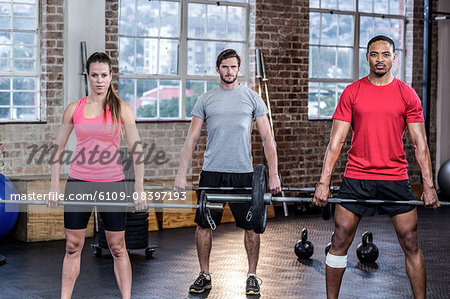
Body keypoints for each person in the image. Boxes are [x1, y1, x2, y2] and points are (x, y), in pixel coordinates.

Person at [313, 35, 440, 299]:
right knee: (339, 241)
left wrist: (429, 186)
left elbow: (420, 144)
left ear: (394, 57)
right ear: (367, 57)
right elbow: (335, 142)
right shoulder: (353, 92)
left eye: (385, 54)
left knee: (411, 243)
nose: (379, 59)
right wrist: (324, 182)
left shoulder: (407, 94)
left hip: (395, 178)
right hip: (357, 176)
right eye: (374, 54)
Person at [174, 49, 281, 295]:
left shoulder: (252, 98)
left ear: (238, 69)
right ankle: (204, 274)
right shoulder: (206, 99)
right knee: (203, 225)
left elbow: (268, 139)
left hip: (243, 173)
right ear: (217, 69)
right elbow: (191, 139)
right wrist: (181, 174)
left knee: (251, 227)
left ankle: (252, 275)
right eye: (225, 67)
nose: (229, 71)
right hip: (212, 172)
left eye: (233, 67)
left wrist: (273, 174)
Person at [48, 52, 146, 299]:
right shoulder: (75, 109)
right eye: (94, 75)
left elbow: (137, 150)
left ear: (111, 76)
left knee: (117, 247)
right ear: (88, 77)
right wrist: (54, 186)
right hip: (79, 182)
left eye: (104, 75)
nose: (99, 80)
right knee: (72, 246)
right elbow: (58, 148)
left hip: (112, 182)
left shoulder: (121, 109)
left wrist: (139, 189)